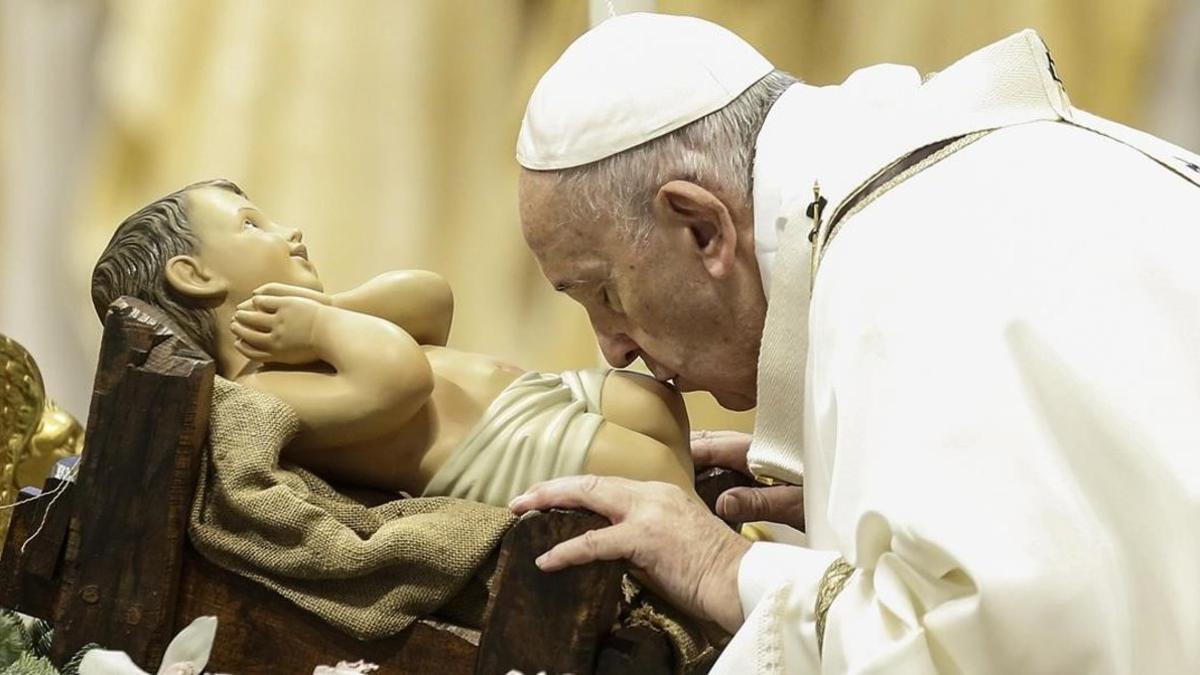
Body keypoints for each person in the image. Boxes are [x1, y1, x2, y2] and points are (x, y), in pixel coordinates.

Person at [511, 12, 1200, 673]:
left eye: (604, 293)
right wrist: (844, 494)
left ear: (700, 225)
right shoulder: (965, 186)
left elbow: (983, 646)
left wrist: (724, 567)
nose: (612, 350)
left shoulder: (907, 263)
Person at [90, 179, 698, 507]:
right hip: (511, 453)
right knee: (656, 477)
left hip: (544, 398)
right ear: (196, 276)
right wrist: (325, 329)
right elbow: (398, 382)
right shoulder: (257, 396)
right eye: (252, 225)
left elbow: (430, 300)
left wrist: (331, 309)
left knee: (655, 404)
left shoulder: (304, 334)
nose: (288, 230)